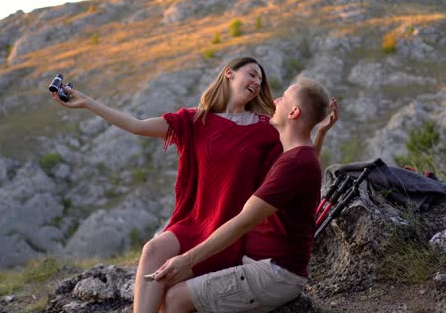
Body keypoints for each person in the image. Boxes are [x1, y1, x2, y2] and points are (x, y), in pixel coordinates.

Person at [51, 57, 331, 312]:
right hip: (194, 220)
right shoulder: (196, 120)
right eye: (252, 74)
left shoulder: (265, 127)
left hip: (229, 229)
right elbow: (135, 125)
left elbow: (298, 163)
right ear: (229, 73)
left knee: (171, 294)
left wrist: (318, 132)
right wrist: (87, 102)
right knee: (152, 251)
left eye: (261, 79)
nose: (258, 83)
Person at [154, 78, 338, 313]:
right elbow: (308, 161)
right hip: (264, 265)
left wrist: (187, 259)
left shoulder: (295, 163)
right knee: (168, 285)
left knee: (175, 298)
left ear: (293, 113)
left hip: (274, 273)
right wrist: (320, 131)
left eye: (282, 98)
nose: (274, 101)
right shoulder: (298, 157)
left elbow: (243, 222)